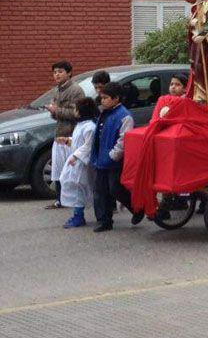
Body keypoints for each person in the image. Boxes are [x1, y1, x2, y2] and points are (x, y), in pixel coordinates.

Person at [91, 82, 142, 232]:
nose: (103, 100)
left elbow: (123, 140)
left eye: (106, 98)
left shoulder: (124, 116)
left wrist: (113, 156)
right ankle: (104, 220)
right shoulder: (104, 113)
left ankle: (137, 208)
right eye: (102, 97)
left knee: (115, 189)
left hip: (114, 160)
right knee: (100, 191)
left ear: (116, 99)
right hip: (101, 159)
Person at [45, 61, 86, 210]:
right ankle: (60, 200)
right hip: (59, 134)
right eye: (55, 72)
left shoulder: (76, 90)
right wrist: (53, 112)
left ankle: (75, 201)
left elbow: (77, 113)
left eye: (60, 71)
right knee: (58, 170)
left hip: (71, 137)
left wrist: (56, 111)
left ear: (69, 73)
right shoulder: (57, 90)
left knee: (71, 171)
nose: (57, 74)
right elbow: (57, 114)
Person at [58, 97, 98, 228]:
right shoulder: (81, 125)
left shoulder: (90, 127)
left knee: (78, 187)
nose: (74, 111)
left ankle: (79, 216)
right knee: (74, 185)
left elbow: (88, 146)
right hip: (76, 161)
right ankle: (77, 214)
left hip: (81, 163)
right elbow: (78, 141)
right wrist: (68, 140)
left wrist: (76, 156)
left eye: (76, 109)